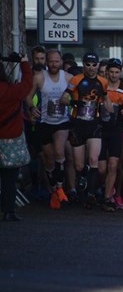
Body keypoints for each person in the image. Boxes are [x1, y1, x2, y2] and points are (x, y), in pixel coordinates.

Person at [60, 52, 113, 211]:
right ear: (83, 65)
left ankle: (90, 194)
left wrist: (110, 111)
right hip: (77, 124)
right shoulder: (76, 80)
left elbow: (106, 99)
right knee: (78, 165)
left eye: (94, 65)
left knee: (93, 158)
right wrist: (75, 102)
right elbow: (63, 99)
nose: (91, 68)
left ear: (98, 65)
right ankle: (83, 181)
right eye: (88, 64)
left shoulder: (102, 82)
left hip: (94, 124)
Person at [25, 49, 73, 209]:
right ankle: (54, 190)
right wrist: (32, 107)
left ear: (61, 62)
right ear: (46, 62)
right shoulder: (39, 77)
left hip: (62, 121)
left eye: (56, 61)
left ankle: (59, 188)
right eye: (51, 61)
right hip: (44, 122)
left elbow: (78, 93)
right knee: (48, 159)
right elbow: (27, 96)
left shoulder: (67, 78)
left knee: (60, 151)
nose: (54, 64)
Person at [0, 53, 32, 221]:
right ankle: (8, 211)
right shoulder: (13, 91)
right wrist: (24, 62)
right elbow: (28, 82)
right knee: (9, 179)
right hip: (10, 139)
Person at [98, 58, 123, 210]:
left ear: (120, 73)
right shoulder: (100, 85)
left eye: (117, 72)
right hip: (101, 129)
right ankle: (106, 190)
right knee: (101, 168)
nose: (114, 75)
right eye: (111, 72)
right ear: (107, 72)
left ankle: (107, 198)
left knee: (114, 165)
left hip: (118, 130)